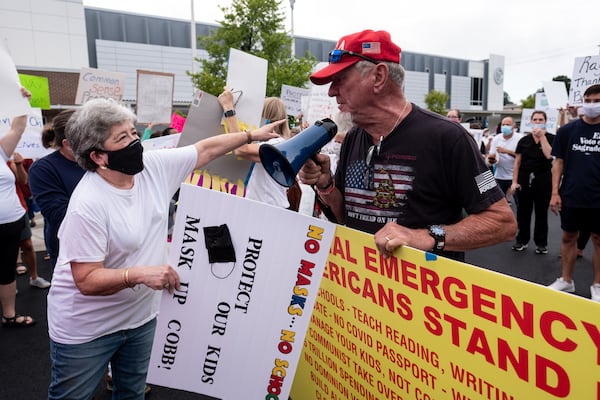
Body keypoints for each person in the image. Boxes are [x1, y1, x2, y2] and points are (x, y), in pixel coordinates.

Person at [45, 98, 282, 399]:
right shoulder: (87, 205)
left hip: (141, 319)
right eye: (122, 138)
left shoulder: (152, 168)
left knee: (131, 393)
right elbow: (86, 280)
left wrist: (251, 136)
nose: (135, 142)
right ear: (98, 157)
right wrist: (138, 274)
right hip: (87, 330)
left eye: (133, 132)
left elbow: (206, 149)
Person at [298, 29, 516, 261]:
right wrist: (325, 184)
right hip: (362, 289)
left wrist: (429, 236)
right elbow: (345, 217)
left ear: (379, 77)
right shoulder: (354, 136)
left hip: (423, 293)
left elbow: (502, 223)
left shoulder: (448, 137)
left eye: (340, 79)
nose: (332, 92)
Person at [548, 83, 600, 301]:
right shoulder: (568, 131)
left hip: (598, 198)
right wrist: (554, 193)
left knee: (599, 239)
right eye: (587, 101)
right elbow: (558, 163)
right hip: (572, 194)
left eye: (596, 101)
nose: (591, 105)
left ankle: (597, 285)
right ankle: (566, 280)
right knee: (568, 237)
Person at [218, 88, 293, 209]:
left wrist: (228, 107)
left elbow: (240, 149)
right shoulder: (275, 142)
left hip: (267, 209)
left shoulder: (278, 144)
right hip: (263, 207)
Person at [29, 109, 85, 270]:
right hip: (68, 251)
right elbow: (60, 215)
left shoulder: (99, 160)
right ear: (68, 144)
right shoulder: (42, 169)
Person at [0, 87, 35, 328]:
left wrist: (22, 101)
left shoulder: (1, 152)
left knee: (5, 271)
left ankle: (9, 315)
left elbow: (18, 127)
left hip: (11, 223)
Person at [509, 110, 554, 254]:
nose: (538, 122)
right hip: (524, 178)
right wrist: (514, 182)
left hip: (543, 179)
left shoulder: (551, 138)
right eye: (535, 119)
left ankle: (541, 243)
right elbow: (517, 162)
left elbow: (549, 156)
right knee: (523, 212)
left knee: (541, 213)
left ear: (545, 122)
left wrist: (542, 137)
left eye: (541, 119)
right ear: (531, 121)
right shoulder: (524, 141)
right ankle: (522, 240)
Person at [8, 151, 51, 288]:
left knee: (27, 244)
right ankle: (7, 284)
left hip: (17, 209)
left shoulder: (8, 159)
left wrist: (19, 164)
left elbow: (24, 181)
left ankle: (34, 277)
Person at [487, 117, 522, 205]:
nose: (505, 126)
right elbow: (492, 156)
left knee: (520, 204)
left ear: (513, 126)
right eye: (503, 124)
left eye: (508, 124)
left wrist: (507, 151)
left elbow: (523, 158)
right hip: (499, 176)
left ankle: (518, 219)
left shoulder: (520, 138)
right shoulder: (496, 138)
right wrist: (492, 160)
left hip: (515, 177)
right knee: (498, 204)